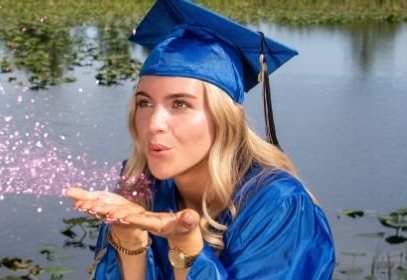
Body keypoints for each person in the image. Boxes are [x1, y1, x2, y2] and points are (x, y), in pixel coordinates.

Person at [64, 0, 336, 279]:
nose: (154, 124)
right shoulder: (141, 185)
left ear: (226, 118)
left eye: (180, 104)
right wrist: (130, 240)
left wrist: (187, 248)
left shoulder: (279, 206)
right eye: (144, 103)